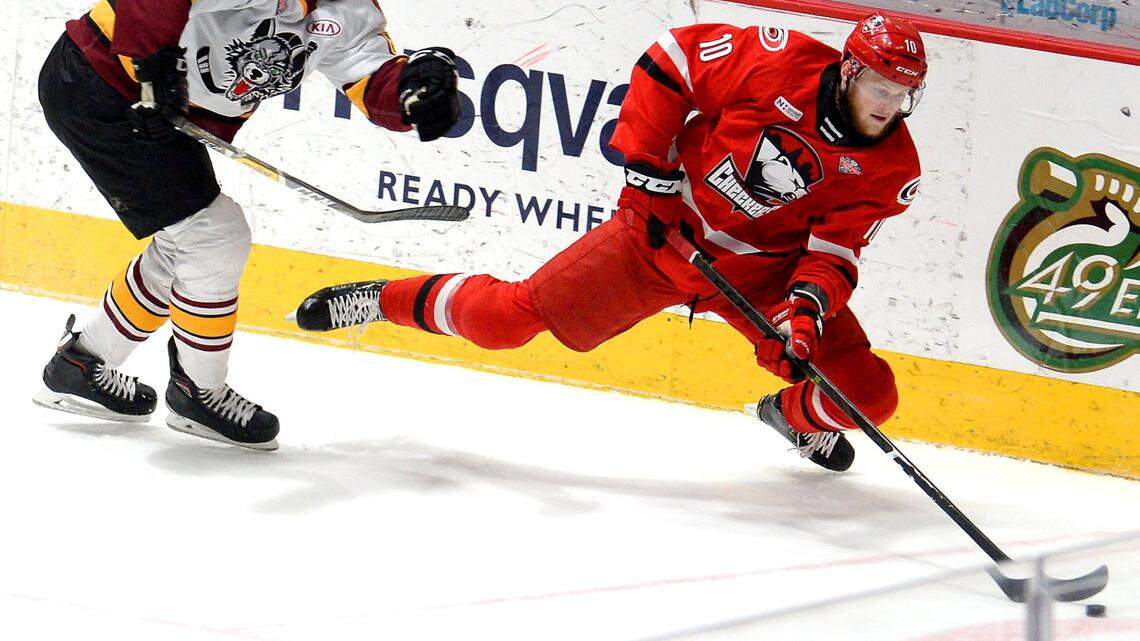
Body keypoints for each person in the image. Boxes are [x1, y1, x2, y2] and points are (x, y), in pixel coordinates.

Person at [293, 14, 927, 471]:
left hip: (762, 278)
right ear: (849, 69)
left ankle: (791, 416)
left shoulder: (893, 168)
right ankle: (382, 300)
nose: (890, 107)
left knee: (871, 396)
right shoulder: (776, 60)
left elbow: (835, 250)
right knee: (504, 322)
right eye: (881, 88)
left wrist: (807, 312)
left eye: (904, 96)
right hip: (659, 239)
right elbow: (669, 61)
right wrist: (650, 176)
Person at [33, 0, 461, 450]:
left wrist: (417, 89)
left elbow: (373, 79)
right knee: (213, 237)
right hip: (101, 83)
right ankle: (199, 392)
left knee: (192, 243)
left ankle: (81, 366)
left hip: (162, 110)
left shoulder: (350, 10)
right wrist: (152, 60)